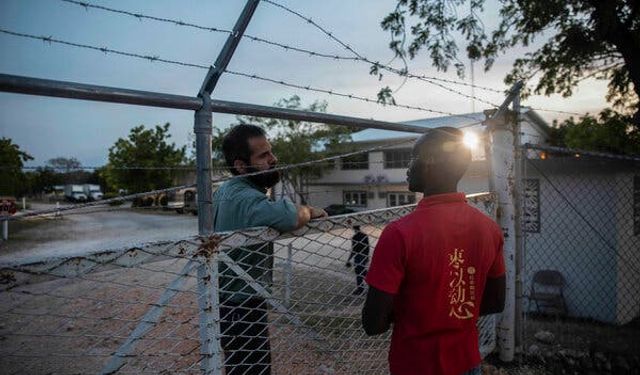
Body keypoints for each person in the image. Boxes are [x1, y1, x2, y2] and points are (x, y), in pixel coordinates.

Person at [362, 127, 506, 375]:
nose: (408, 167)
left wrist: (418, 312)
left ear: (428, 161)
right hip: (467, 362)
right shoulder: (489, 229)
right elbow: (495, 301)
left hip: (416, 364)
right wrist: (449, 313)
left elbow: (373, 323)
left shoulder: (399, 233)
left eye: (412, 158)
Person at [213, 124, 327, 375]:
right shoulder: (246, 199)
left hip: (228, 299)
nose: (273, 159)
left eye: (270, 152)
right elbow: (289, 217)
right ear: (241, 166)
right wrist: (309, 210)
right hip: (242, 304)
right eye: (263, 156)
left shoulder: (225, 190)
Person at [346, 225, 370, 295]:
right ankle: (371, 284)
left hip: (358, 256)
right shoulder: (364, 235)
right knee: (362, 271)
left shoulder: (355, 237)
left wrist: (349, 259)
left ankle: (360, 289)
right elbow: (367, 247)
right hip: (364, 255)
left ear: (353, 229)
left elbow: (354, 249)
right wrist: (367, 256)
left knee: (359, 272)